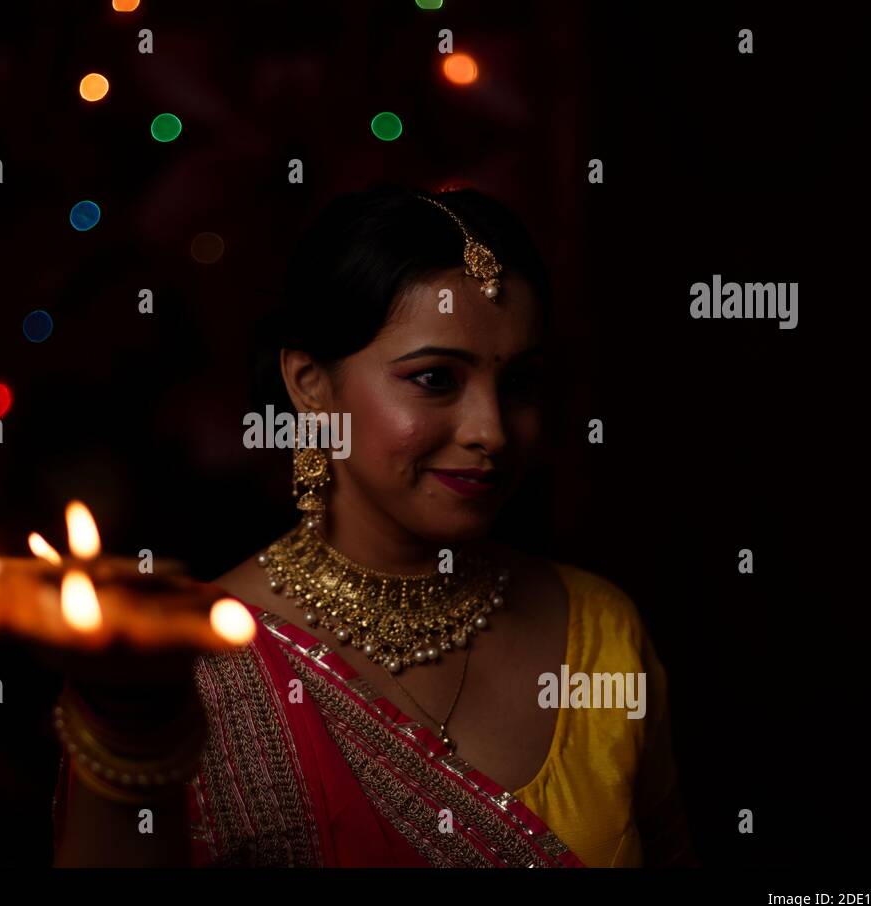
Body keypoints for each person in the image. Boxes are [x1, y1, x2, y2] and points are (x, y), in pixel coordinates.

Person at [51, 183, 697, 867]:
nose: (493, 431)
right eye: (435, 379)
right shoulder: (188, 666)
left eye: (520, 384)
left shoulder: (601, 633)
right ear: (309, 384)